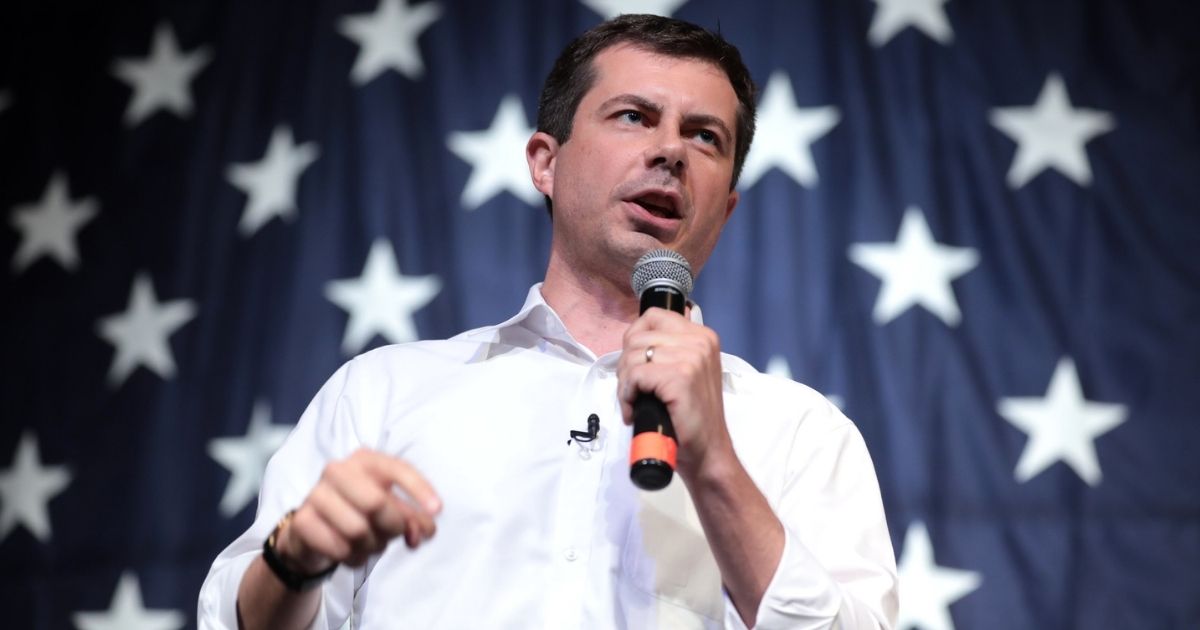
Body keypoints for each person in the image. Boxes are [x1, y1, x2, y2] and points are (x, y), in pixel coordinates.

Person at [199, 14, 898, 630]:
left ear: (726, 208)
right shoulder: (383, 392)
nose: (670, 151)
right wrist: (296, 560)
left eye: (705, 136)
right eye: (633, 116)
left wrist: (715, 465)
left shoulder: (802, 435)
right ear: (545, 162)